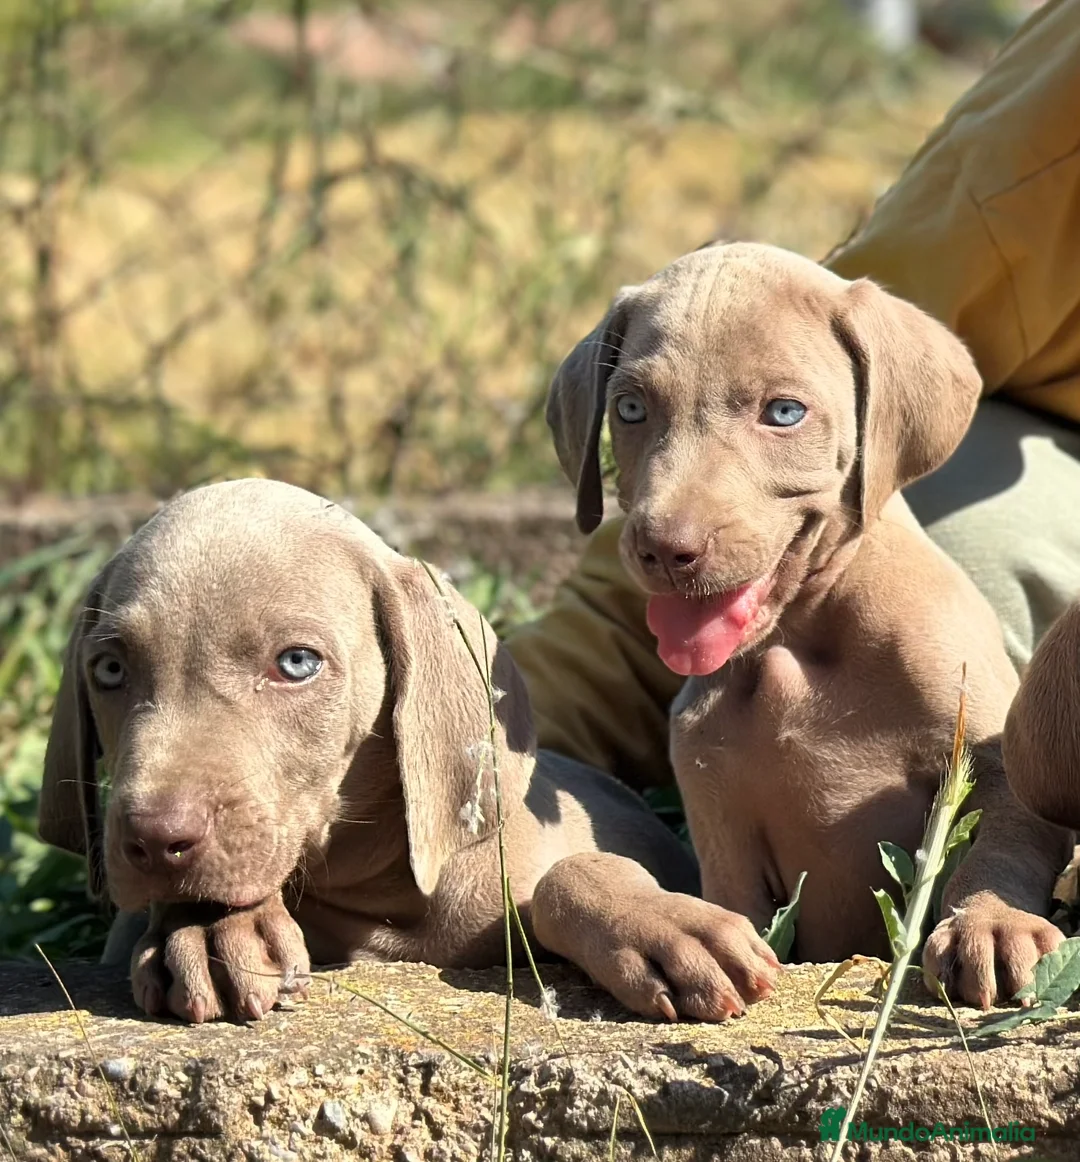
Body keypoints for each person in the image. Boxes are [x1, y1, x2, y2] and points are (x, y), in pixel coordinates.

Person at [505, 0, 1080, 793]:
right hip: (1037, 434)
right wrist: (505, 729)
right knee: (954, 552)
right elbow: (834, 356)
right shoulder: (1054, 129)